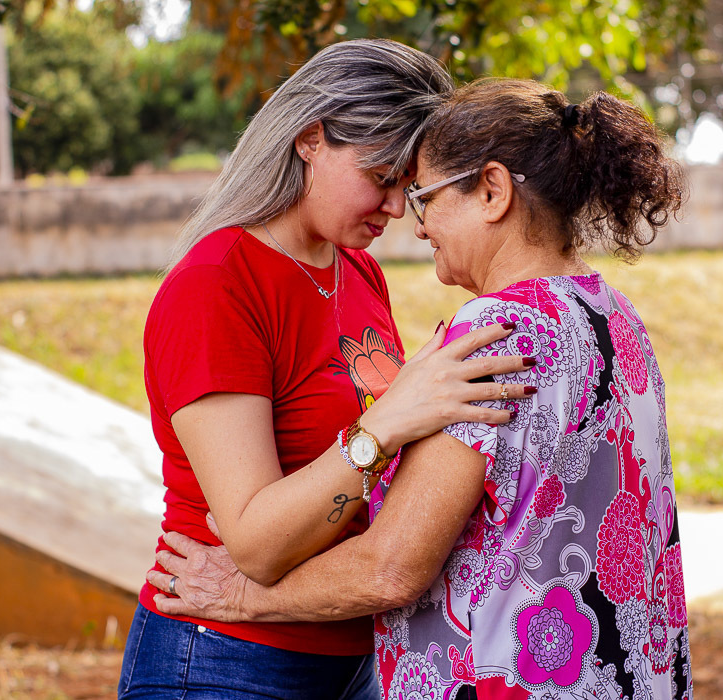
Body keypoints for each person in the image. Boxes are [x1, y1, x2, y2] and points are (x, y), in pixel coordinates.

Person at [151, 78, 692, 700]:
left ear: (492, 192)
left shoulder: (493, 334)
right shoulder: (614, 314)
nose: (414, 223)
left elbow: (390, 568)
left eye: (423, 196)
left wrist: (242, 596)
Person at [118, 43, 539, 700]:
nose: (397, 208)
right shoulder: (216, 285)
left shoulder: (358, 271)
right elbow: (256, 545)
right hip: (224, 659)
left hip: (352, 658)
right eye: (382, 177)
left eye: (409, 186)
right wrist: (388, 422)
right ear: (310, 140)